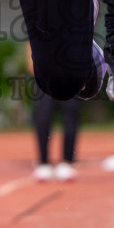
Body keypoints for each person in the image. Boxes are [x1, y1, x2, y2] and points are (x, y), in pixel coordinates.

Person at [26, 42, 79, 182]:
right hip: (45, 78)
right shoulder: (39, 22)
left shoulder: (73, 24)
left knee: (71, 116)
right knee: (43, 117)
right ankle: (43, 162)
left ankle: (67, 161)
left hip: (69, 76)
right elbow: (29, 47)